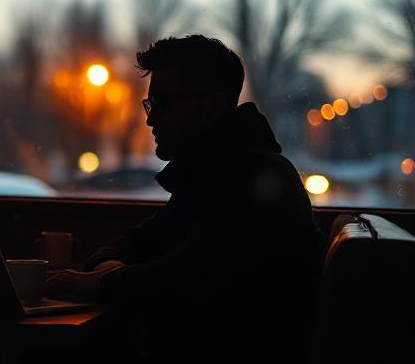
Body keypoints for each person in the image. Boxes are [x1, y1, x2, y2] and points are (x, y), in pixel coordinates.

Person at [47, 35, 322, 363]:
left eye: (164, 103)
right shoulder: (212, 173)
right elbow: (133, 245)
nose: (151, 119)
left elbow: (187, 276)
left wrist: (101, 282)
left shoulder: (252, 180)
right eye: (151, 104)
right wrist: (108, 275)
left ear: (212, 105)